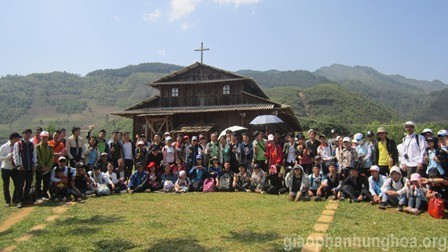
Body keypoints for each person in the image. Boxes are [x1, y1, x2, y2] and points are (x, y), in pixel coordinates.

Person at [13, 129, 36, 208]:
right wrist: (19, 165)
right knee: (20, 185)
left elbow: (34, 155)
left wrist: (34, 164)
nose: (28, 135)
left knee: (28, 184)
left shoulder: (31, 144)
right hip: (21, 168)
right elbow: (15, 155)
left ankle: (26, 199)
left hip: (30, 168)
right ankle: (19, 201)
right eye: (26, 133)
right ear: (23, 134)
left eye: (29, 133)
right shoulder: (18, 144)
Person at [0, 132, 22, 207]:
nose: (19, 140)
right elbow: (0, 158)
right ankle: (7, 201)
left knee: (18, 184)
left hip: (14, 168)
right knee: (6, 185)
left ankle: (15, 199)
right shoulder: (4, 147)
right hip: (6, 168)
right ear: (14, 138)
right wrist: (8, 156)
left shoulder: (17, 146)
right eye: (17, 138)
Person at [35, 131, 54, 201]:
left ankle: (44, 194)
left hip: (48, 168)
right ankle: (39, 196)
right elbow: (38, 157)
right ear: (40, 137)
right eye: (43, 137)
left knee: (46, 182)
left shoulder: (50, 147)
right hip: (40, 168)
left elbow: (52, 157)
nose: (45, 139)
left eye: (46, 137)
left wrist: (48, 166)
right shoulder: (37, 147)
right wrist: (43, 166)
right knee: (38, 182)